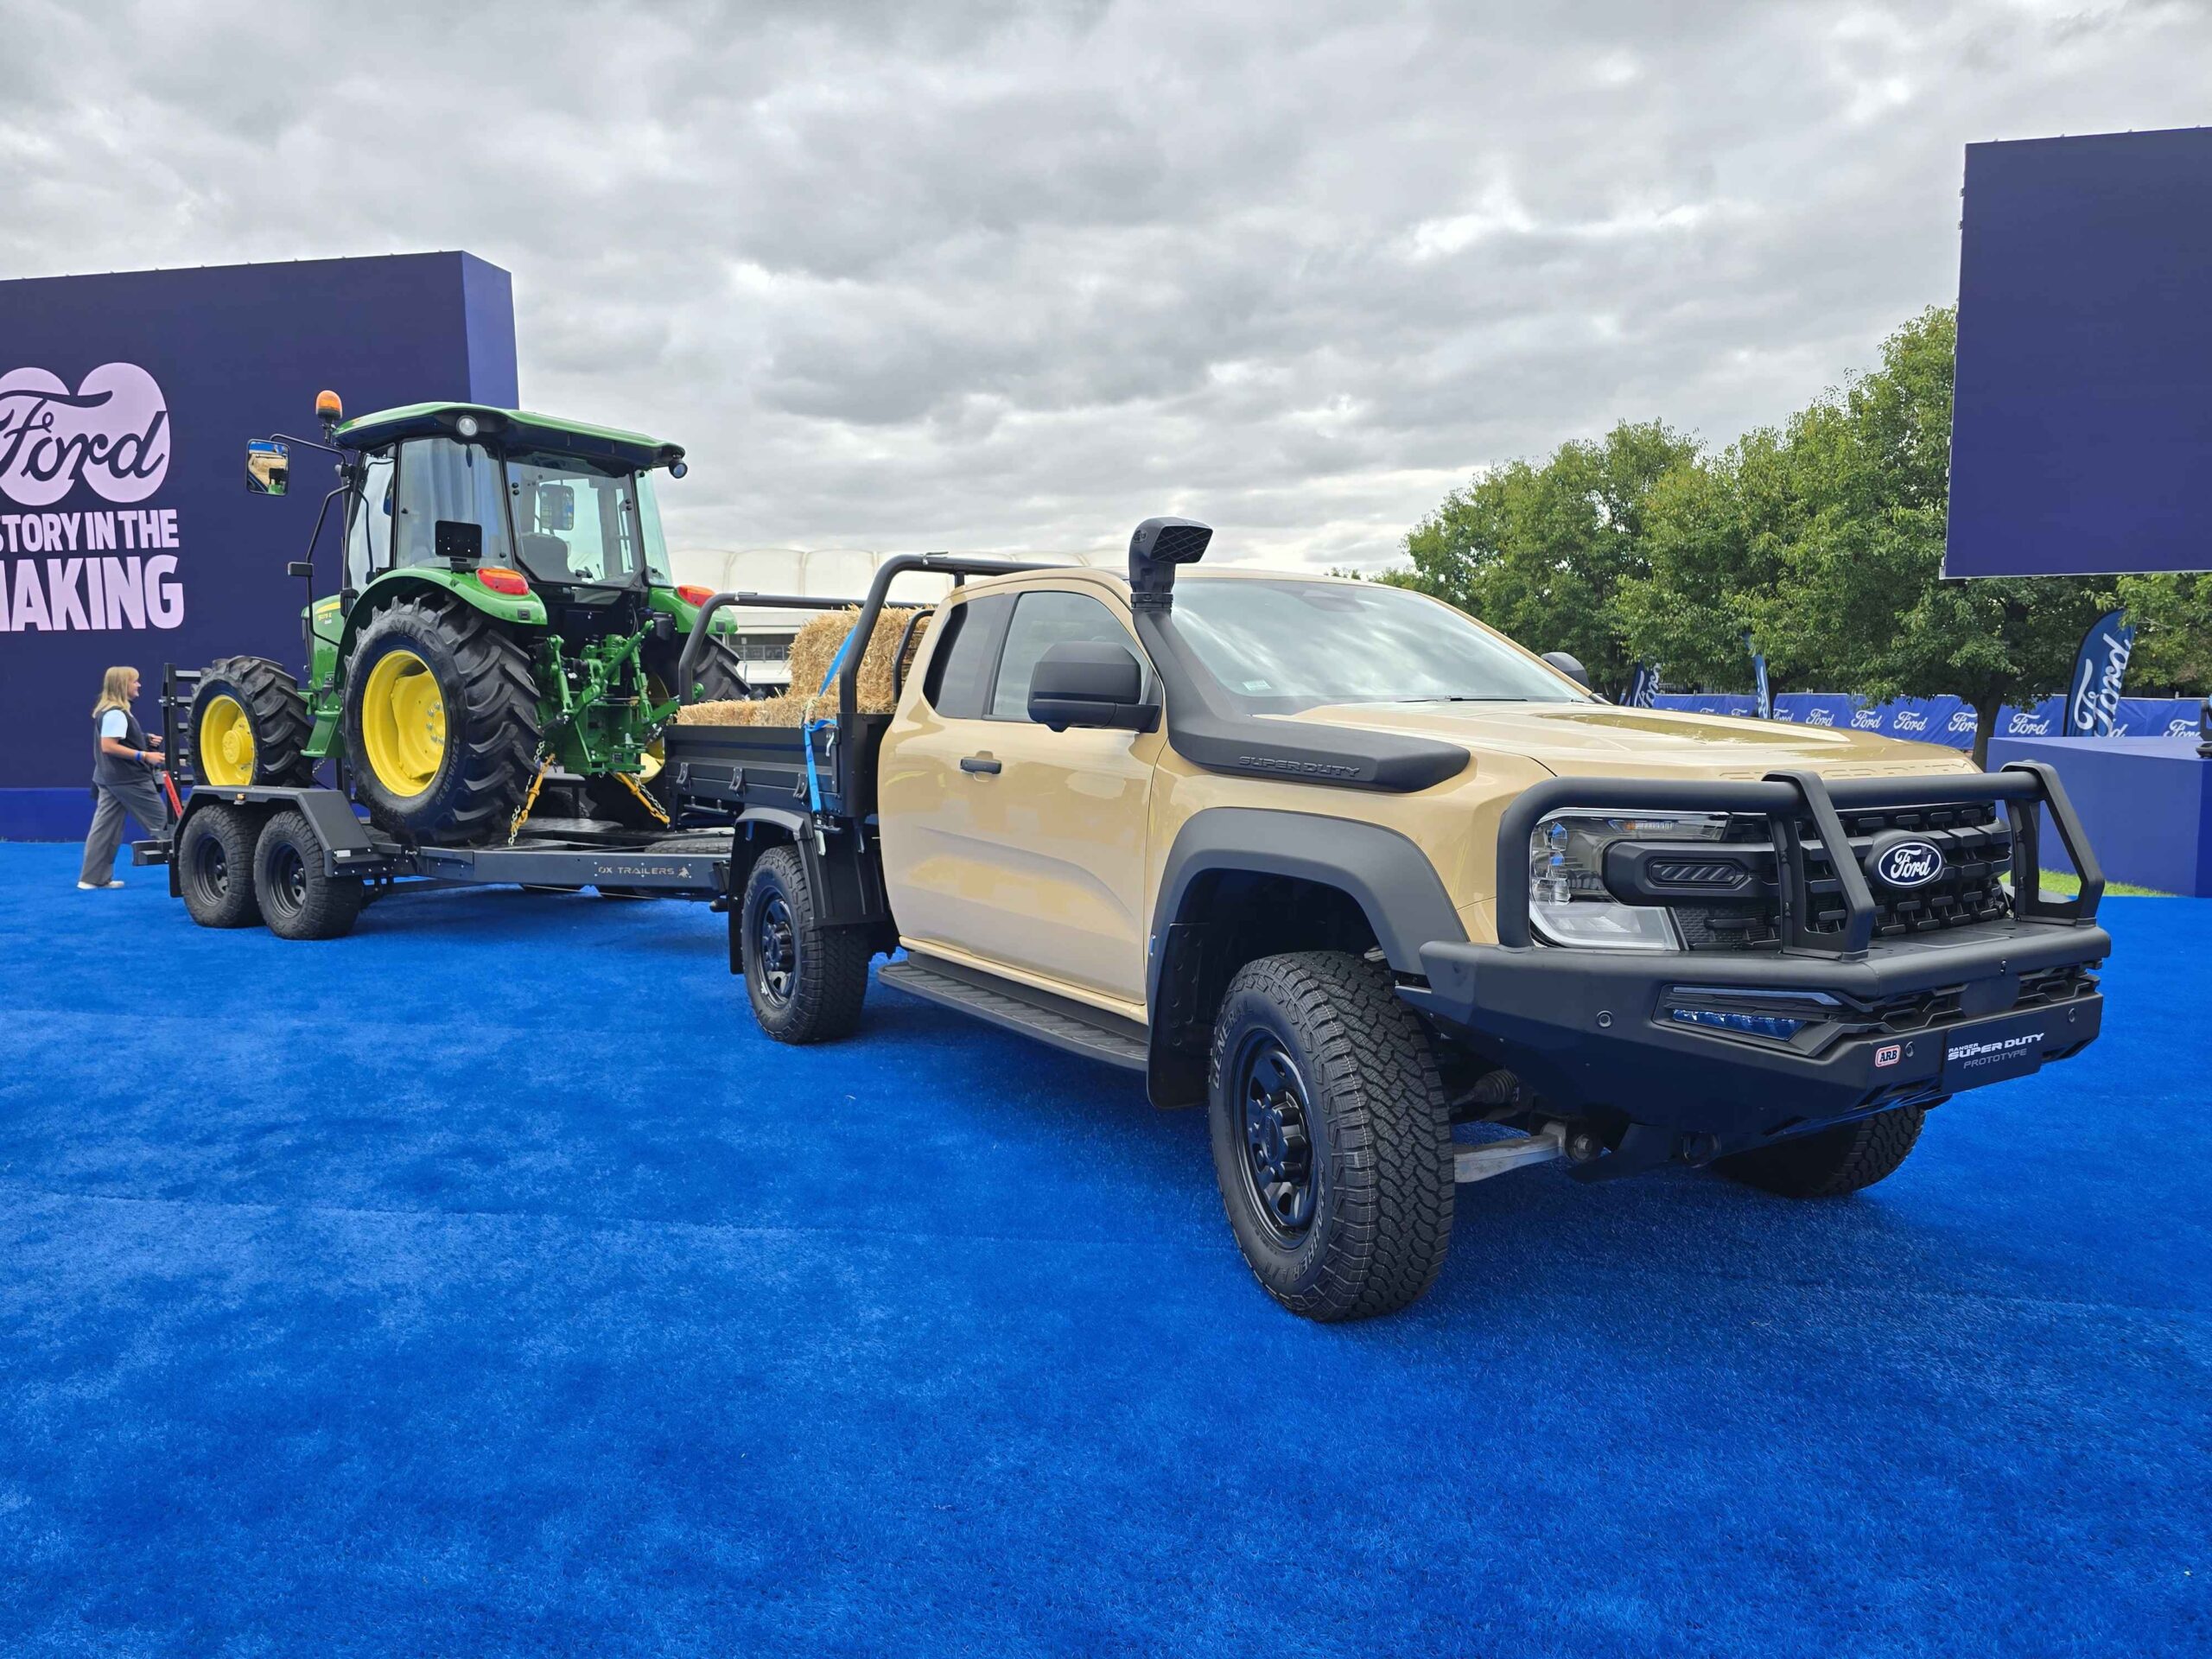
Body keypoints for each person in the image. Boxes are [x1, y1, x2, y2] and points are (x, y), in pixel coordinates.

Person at [79, 666, 172, 891]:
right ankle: (194, 876)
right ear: (123, 685)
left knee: (105, 830)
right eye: (134, 681)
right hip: (130, 780)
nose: (139, 685)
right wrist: (145, 755)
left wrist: (143, 739)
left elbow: (118, 739)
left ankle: (92, 879)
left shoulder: (110, 711)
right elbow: (109, 746)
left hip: (109, 779)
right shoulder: (116, 713)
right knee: (166, 827)